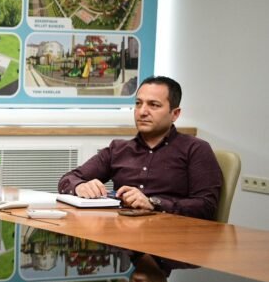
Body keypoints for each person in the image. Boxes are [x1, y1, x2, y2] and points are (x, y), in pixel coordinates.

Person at [58, 76, 222, 220]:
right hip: (122, 235)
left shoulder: (195, 149)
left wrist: (154, 203)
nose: (142, 112)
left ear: (175, 114)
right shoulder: (118, 149)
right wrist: (80, 186)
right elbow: (67, 179)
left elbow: (207, 206)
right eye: (138, 103)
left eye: (154, 105)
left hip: (171, 236)